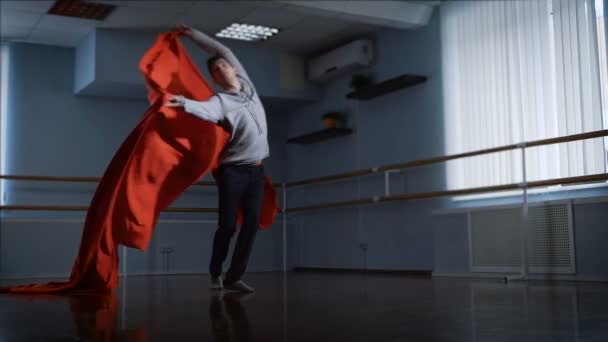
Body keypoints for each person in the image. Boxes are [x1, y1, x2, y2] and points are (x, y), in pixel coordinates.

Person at [165, 24, 269, 293]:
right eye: (215, 70)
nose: (221, 68)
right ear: (214, 78)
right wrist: (184, 103)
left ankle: (234, 277)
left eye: (224, 65)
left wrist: (192, 34)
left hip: (257, 172)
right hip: (232, 172)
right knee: (227, 226)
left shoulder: (247, 84)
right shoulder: (220, 101)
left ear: (233, 69)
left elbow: (221, 49)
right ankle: (215, 273)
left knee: (252, 226)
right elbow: (207, 111)